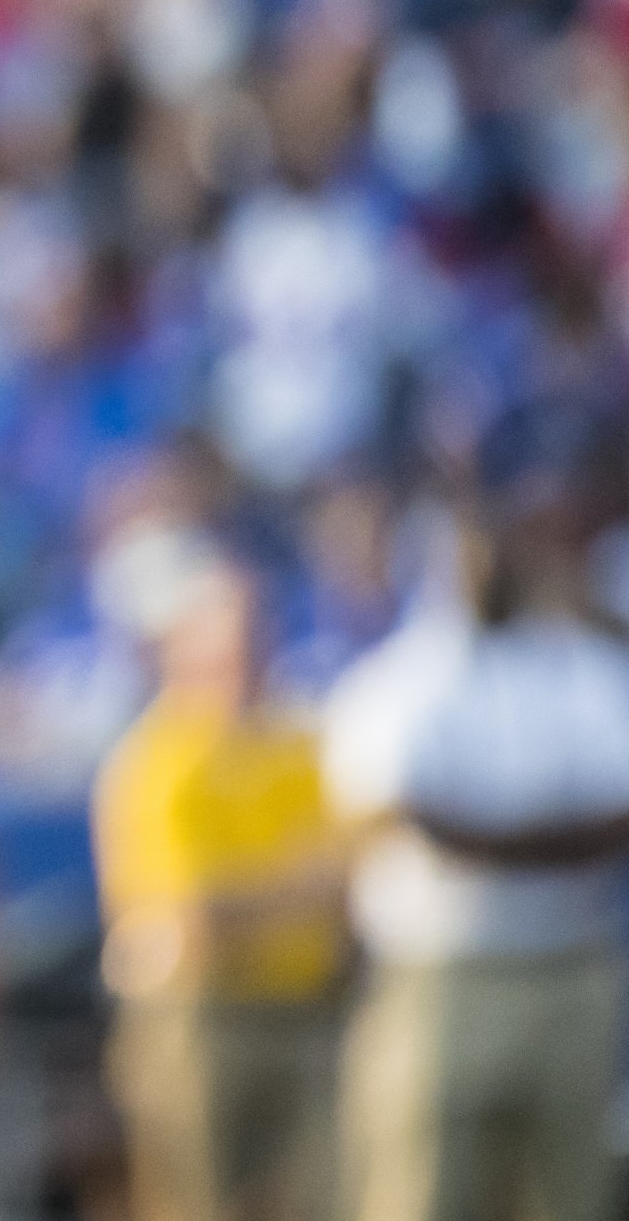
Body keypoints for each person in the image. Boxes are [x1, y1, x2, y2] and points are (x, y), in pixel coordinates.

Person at [320, 417, 629, 1221]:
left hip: (569, 970)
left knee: (569, 1192)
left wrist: (482, 840)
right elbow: (392, 817)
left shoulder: (587, 669)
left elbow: (612, 819)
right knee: (423, 1192)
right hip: (441, 978)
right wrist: (545, 841)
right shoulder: (401, 682)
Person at [93, 561, 346, 1221]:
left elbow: (343, 881)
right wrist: (294, 887)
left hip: (300, 1008)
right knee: (194, 1200)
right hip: (196, 1018)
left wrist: (250, 895)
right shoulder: (155, 761)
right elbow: (192, 911)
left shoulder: (298, 743)